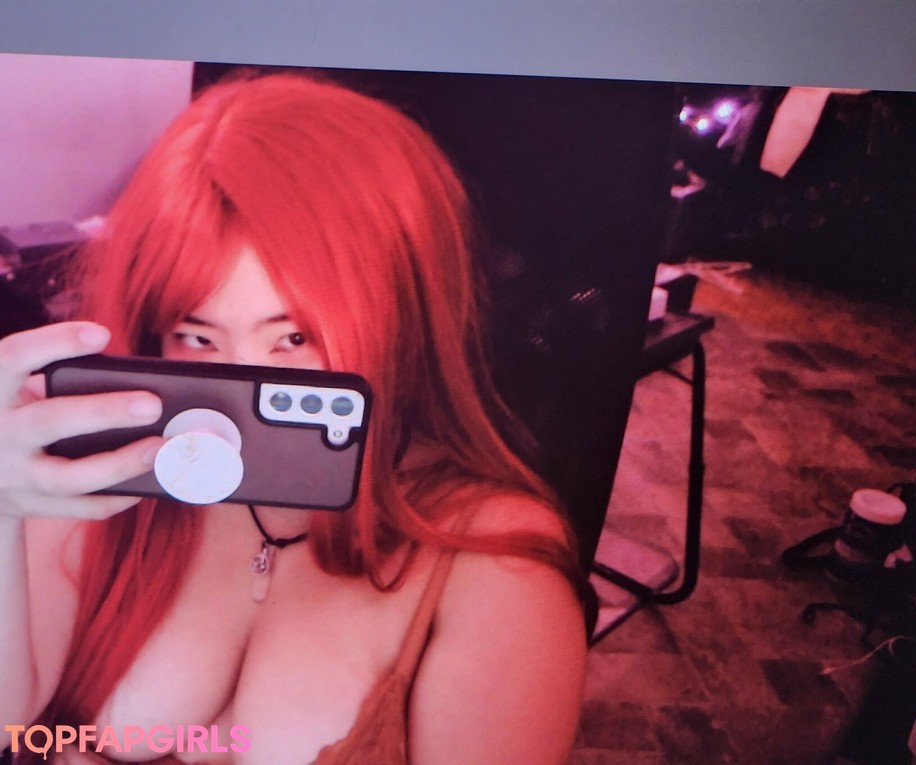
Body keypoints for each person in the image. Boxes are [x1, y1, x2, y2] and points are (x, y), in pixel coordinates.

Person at [0, 72, 587, 764]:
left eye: (295, 336)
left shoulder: (495, 568)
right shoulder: (109, 470)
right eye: (197, 336)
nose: (242, 382)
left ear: (403, 313)